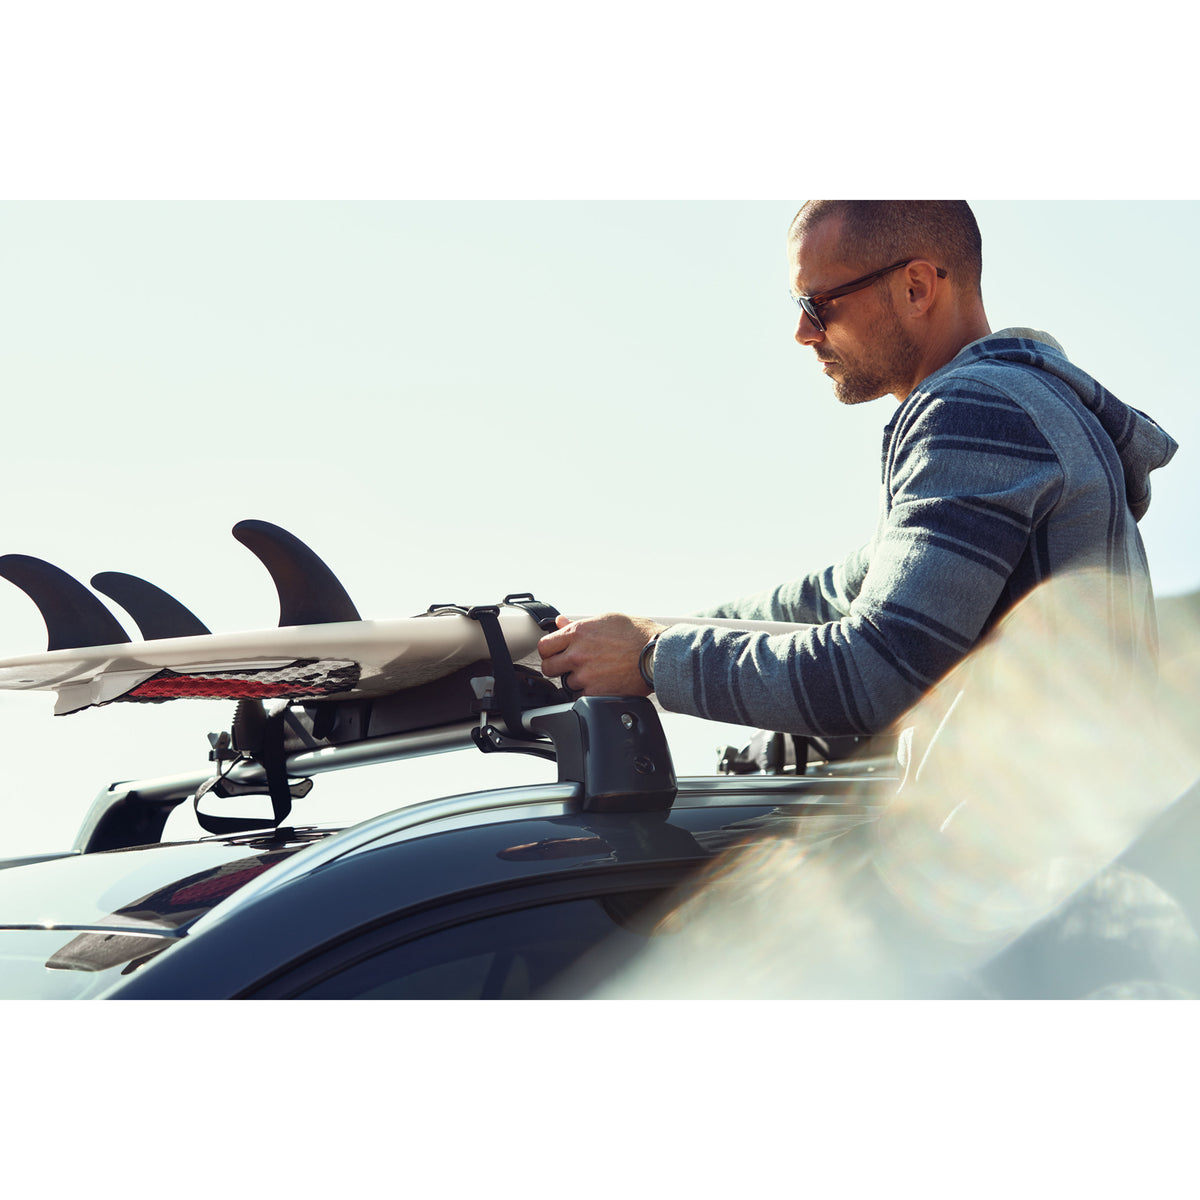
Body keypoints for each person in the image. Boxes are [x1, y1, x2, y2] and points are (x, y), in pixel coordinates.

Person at [537, 201, 1179, 740]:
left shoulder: (976, 412)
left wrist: (652, 659)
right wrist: (650, 629)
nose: (801, 331)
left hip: (1046, 869)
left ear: (917, 287)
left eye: (819, 303)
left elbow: (876, 669)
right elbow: (837, 593)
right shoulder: (1023, 407)